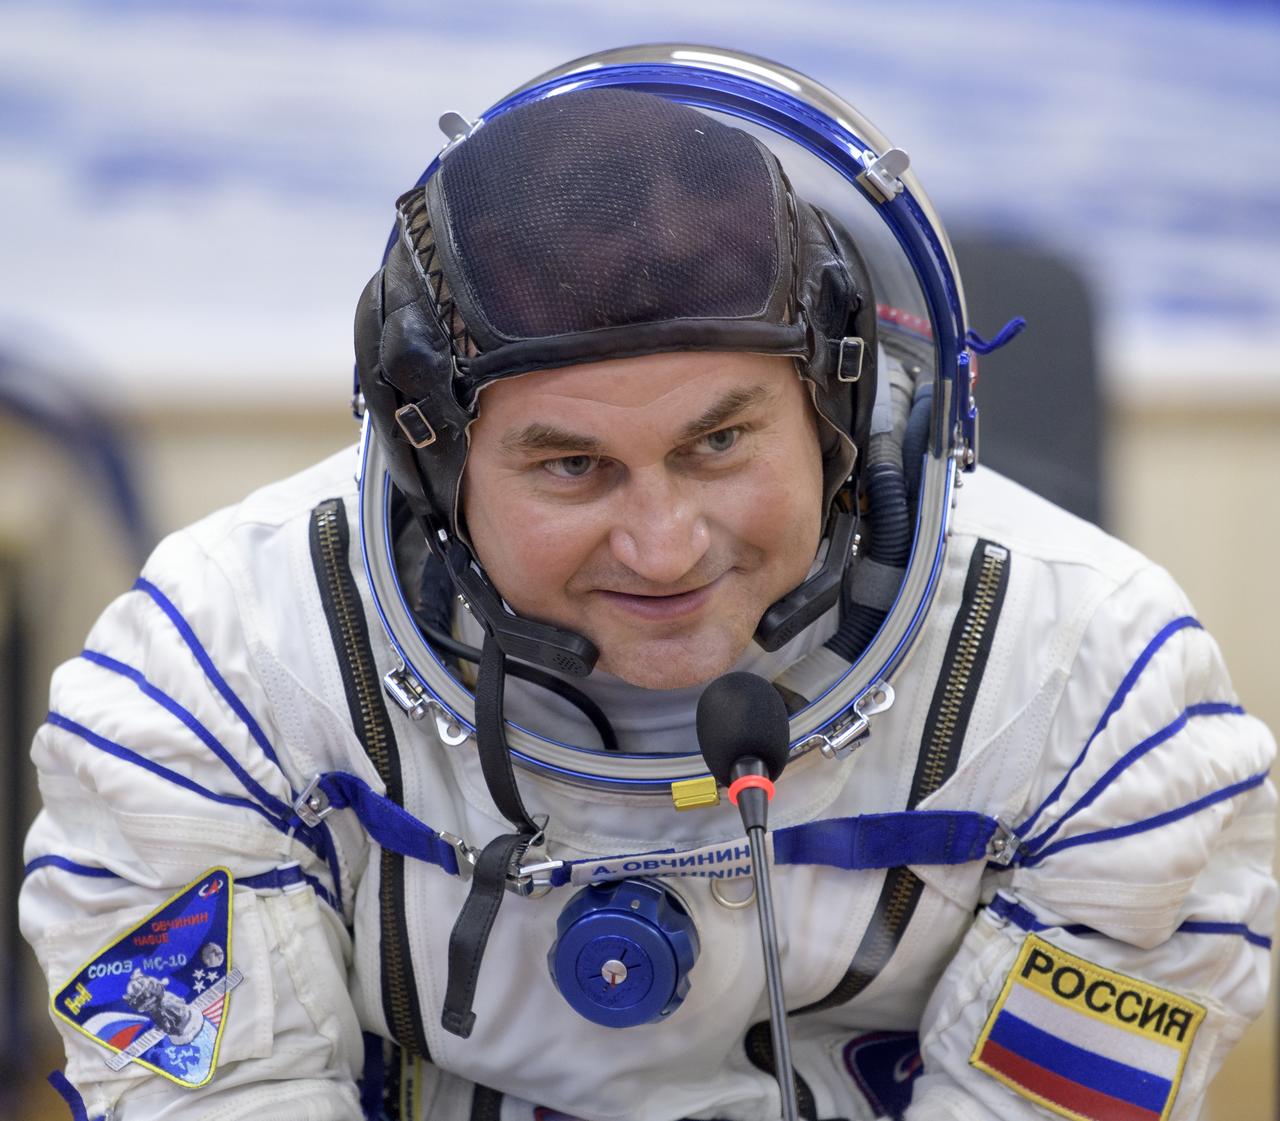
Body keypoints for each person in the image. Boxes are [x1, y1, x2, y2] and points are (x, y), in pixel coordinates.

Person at [19, 47, 1276, 1121]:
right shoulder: (214, 681)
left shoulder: (1096, 692)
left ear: (834, 412)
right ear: (434, 457)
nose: (664, 545)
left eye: (718, 443)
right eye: (571, 466)